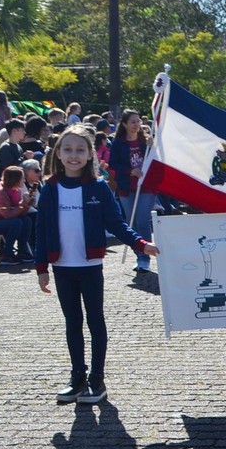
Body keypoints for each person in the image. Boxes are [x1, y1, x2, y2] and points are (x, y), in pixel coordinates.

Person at [37, 127, 159, 405]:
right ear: (58, 154)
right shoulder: (50, 188)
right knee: (72, 322)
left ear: (91, 154)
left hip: (90, 266)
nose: (74, 155)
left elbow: (116, 223)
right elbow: (41, 229)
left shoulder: (99, 187)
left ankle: (97, 379)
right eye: (68, 149)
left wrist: (141, 244)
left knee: (95, 321)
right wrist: (41, 267)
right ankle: (77, 376)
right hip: (62, 267)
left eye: (80, 150)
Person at [108, 110, 155, 273]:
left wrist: (153, 148)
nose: (136, 124)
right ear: (125, 124)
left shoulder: (146, 141)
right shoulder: (118, 143)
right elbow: (113, 163)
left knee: (142, 219)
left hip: (147, 186)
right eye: (133, 122)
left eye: (138, 121)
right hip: (127, 187)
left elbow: (157, 160)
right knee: (132, 221)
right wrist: (130, 171)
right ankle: (139, 255)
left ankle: (146, 258)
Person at [0, 165, 34, 264]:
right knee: (16, 223)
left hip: (2, 219)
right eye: (22, 178)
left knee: (26, 220)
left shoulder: (15, 190)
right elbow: (8, 214)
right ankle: (6, 254)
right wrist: (23, 204)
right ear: (15, 179)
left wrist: (28, 203)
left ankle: (22, 251)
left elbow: (20, 213)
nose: (24, 180)